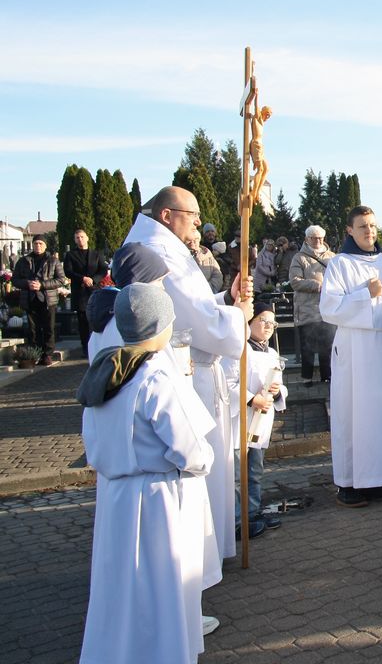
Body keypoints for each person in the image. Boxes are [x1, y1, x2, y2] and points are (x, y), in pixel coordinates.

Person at [78, 283, 216, 664]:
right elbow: (188, 447)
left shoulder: (105, 368)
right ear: (161, 325)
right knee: (156, 590)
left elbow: (91, 439)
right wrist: (203, 460)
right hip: (156, 500)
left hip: (114, 497)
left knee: (119, 589)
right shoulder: (155, 375)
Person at [125, 186, 252, 567]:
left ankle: (207, 556)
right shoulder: (159, 253)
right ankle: (199, 562)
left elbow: (194, 309)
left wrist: (226, 301)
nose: (198, 223)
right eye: (192, 215)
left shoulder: (164, 247)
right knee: (201, 464)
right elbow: (199, 324)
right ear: (167, 215)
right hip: (187, 374)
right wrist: (238, 317)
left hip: (191, 366)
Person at [320, 206, 382, 507]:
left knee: (381, 415)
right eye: (362, 226)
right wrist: (365, 295)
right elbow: (329, 308)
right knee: (352, 415)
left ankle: (377, 479)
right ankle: (348, 484)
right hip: (355, 350)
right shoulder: (340, 264)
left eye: (372, 225)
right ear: (349, 230)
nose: (369, 231)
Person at [227, 303, 288, 537]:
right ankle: (236, 520)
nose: (269, 326)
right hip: (240, 419)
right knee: (236, 474)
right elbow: (228, 383)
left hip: (261, 421)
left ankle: (252, 513)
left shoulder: (272, 353)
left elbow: (280, 384)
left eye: (273, 322)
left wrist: (278, 391)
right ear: (249, 321)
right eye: (263, 320)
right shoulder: (237, 349)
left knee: (254, 471)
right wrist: (252, 399)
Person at [86, 243, 171, 360]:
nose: (163, 287)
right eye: (159, 280)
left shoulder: (107, 313)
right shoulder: (135, 323)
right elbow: (150, 366)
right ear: (139, 283)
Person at [289, 225, 335, 386]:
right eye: (314, 238)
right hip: (307, 308)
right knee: (307, 346)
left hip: (328, 307)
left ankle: (327, 376)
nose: (318, 241)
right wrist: (317, 285)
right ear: (306, 239)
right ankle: (306, 378)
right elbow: (295, 281)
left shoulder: (332, 256)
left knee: (328, 344)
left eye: (320, 238)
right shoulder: (299, 257)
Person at [13, 234, 65, 366]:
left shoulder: (53, 261)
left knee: (48, 328)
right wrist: (27, 284)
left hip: (47, 299)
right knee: (33, 329)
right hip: (30, 299)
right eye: (36, 243)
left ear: (45, 246)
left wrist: (42, 285)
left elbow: (61, 280)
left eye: (40, 243)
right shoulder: (23, 261)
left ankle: (47, 354)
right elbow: (15, 280)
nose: (38, 246)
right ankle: (35, 354)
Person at [62, 228, 107, 356]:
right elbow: (68, 271)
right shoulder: (70, 255)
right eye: (77, 237)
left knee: (96, 319)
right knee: (83, 322)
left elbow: (103, 270)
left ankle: (98, 346)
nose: (80, 239)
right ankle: (86, 348)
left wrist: (93, 279)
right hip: (80, 292)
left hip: (94, 291)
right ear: (75, 240)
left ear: (87, 238)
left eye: (82, 237)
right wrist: (82, 278)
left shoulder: (96, 254)